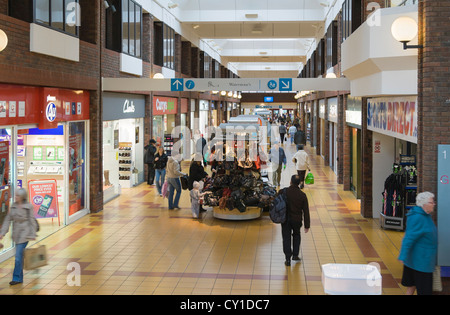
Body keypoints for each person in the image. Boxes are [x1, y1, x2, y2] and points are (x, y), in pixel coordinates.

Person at [398, 192, 437, 295]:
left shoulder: (425, 215)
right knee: (424, 291)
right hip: (421, 262)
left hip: (419, 260)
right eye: (431, 202)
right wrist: (402, 255)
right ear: (424, 204)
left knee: (411, 287)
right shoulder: (419, 218)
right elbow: (409, 238)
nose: (434, 204)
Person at [0, 188, 38, 285]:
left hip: (25, 234)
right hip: (16, 234)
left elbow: (32, 220)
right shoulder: (13, 206)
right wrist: (2, 233)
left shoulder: (28, 206)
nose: (15, 197)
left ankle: (16, 278)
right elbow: (7, 220)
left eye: (17, 196)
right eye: (15, 195)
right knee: (19, 256)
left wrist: (33, 234)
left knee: (18, 257)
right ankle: (21, 277)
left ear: (22, 197)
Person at [281, 175, 310, 266]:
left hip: (285, 219)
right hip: (297, 220)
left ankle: (287, 259)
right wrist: (307, 225)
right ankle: (295, 255)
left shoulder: (283, 192)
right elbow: (306, 211)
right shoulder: (302, 195)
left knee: (286, 237)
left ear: (290, 181)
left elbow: (276, 202)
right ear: (299, 183)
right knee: (297, 235)